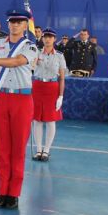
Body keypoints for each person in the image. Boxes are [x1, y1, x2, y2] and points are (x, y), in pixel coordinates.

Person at [0, 9, 38, 210]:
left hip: (22, 99)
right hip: (2, 98)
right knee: (2, 148)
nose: (14, 25)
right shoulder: (0, 44)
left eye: (19, 22)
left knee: (18, 149)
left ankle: (14, 194)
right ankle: (2, 190)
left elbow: (16, 62)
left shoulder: (30, 46)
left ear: (25, 25)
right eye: (12, 22)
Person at [31, 28, 66, 162]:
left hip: (52, 88)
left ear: (54, 39)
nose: (47, 39)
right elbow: (30, 68)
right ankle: (38, 149)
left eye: (50, 37)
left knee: (50, 120)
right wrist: (33, 63)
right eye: (45, 36)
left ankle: (46, 150)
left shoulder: (59, 56)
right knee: (37, 120)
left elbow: (62, 78)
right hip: (38, 86)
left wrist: (61, 96)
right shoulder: (36, 53)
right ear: (42, 38)